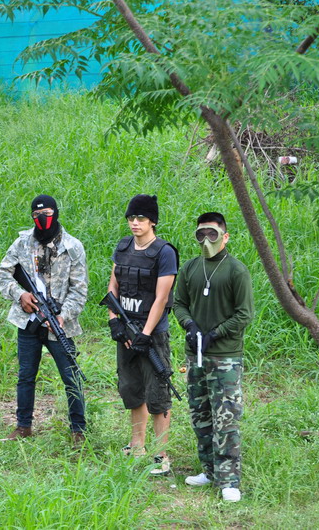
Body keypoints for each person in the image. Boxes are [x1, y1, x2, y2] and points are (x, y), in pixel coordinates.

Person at [173, 212, 252, 502]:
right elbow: (179, 303)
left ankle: (229, 480)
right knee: (201, 413)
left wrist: (216, 334)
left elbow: (244, 314)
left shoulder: (236, 270)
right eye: (201, 234)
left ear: (225, 237)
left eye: (212, 234)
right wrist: (190, 326)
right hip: (196, 355)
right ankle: (209, 470)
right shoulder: (190, 268)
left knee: (226, 417)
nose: (206, 240)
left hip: (225, 357)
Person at [0, 195, 88, 444]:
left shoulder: (72, 246)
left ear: (55, 213)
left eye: (47, 213)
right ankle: (23, 426)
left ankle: (78, 430)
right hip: (28, 320)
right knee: (26, 375)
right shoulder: (23, 242)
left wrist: (62, 316)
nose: (42, 219)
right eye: (37, 215)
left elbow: (79, 290)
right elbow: (3, 273)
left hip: (59, 324)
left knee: (71, 377)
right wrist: (20, 295)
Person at [106, 194, 178, 476]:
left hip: (151, 334)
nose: (135, 223)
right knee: (131, 388)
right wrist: (114, 321)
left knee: (158, 391)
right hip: (126, 329)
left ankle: (161, 454)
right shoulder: (123, 247)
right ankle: (137, 445)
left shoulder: (164, 252)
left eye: (141, 218)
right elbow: (113, 287)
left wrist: (146, 334)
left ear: (152, 221)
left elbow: (161, 298)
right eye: (131, 218)